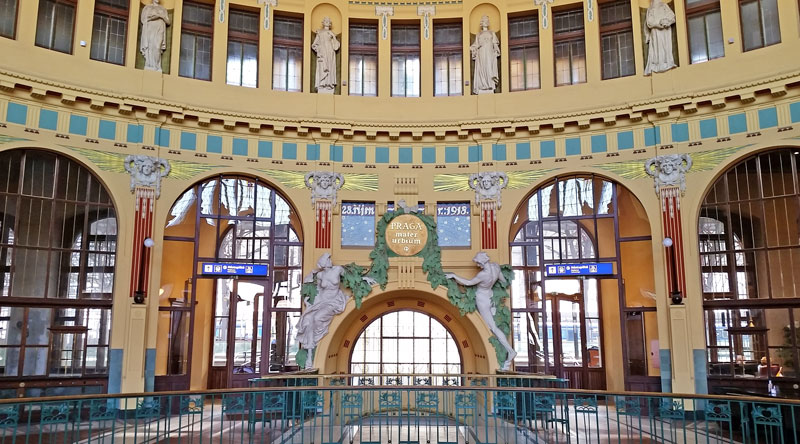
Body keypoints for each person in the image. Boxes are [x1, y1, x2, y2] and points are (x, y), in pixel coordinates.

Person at [446, 252, 517, 370]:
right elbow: (504, 282)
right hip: (491, 296)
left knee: (492, 327)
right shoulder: (496, 267)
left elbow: (468, 283)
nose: (478, 265)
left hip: (482, 299)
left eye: (478, 263)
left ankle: (510, 351)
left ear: (482, 261)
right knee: (490, 326)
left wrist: (454, 275)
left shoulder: (483, 275)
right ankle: (509, 351)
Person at [644, 0, 676, 75]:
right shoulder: (650, 8)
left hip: (665, 32)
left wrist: (667, 22)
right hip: (655, 31)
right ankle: (657, 64)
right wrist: (657, 25)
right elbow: (649, 23)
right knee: (656, 47)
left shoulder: (664, 5)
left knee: (665, 47)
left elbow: (672, 17)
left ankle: (666, 62)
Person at [470, 15, 500, 94]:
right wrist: (478, 46)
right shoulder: (478, 35)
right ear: (481, 23)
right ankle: (483, 85)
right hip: (481, 53)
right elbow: (475, 46)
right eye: (484, 20)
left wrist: (496, 51)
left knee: (489, 67)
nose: (486, 22)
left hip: (490, 53)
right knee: (482, 68)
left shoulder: (492, 33)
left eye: (487, 20)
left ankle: (490, 84)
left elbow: (495, 44)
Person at [140, 0, 171, 72]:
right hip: (150, 29)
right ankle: (150, 65)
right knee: (150, 47)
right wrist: (154, 17)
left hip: (160, 29)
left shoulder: (163, 9)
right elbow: (143, 19)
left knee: (157, 47)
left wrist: (161, 16)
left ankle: (157, 66)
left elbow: (168, 22)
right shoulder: (147, 7)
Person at [312, 17, 340, 93]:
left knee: (330, 67)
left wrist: (333, 36)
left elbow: (336, 46)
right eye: (325, 21)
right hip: (322, 52)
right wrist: (318, 50)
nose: (327, 22)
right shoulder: (319, 32)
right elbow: (314, 45)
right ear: (323, 22)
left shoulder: (332, 33)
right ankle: (322, 83)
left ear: (330, 23)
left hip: (330, 52)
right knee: (322, 67)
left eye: (328, 21)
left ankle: (329, 83)